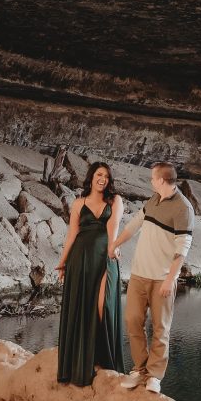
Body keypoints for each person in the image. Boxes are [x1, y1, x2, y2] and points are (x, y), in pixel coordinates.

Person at [108, 162, 194, 394]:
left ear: (162, 180)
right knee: (132, 320)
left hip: (161, 279)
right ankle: (139, 369)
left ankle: (154, 376)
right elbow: (134, 225)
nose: (150, 181)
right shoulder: (152, 200)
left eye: (152, 178)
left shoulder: (183, 208)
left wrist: (170, 279)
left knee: (160, 328)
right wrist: (114, 244)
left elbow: (183, 248)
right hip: (139, 274)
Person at [55, 161, 125, 386]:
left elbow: (112, 227)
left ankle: (104, 358)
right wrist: (63, 262)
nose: (102, 179)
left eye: (106, 176)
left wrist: (113, 248)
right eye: (98, 174)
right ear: (91, 177)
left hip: (104, 257)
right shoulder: (78, 203)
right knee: (81, 307)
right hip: (80, 259)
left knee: (103, 305)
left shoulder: (115, 201)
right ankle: (83, 362)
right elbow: (72, 235)